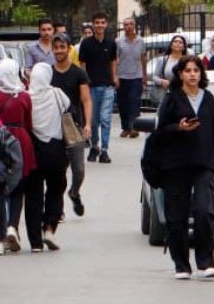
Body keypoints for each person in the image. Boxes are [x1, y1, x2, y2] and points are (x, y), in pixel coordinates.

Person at [150, 55, 214, 280]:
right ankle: (181, 265)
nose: (192, 74)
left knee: (204, 211)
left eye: (196, 70)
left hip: (203, 164)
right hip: (175, 166)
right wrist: (179, 127)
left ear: (201, 74)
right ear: (180, 74)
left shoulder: (209, 99)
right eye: (188, 71)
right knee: (176, 217)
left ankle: (206, 263)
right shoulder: (172, 99)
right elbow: (160, 132)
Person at [0, 59, 37, 255]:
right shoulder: (23, 96)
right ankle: (12, 227)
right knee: (18, 187)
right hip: (20, 141)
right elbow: (28, 122)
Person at [24, 63, 71, 252]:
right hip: (56, 151)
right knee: (56, 189)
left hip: (33, 151)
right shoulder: (58, 94)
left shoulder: (26, 97)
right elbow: (68, 108)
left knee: (33, 195)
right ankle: (50, 228)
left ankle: (35, 242)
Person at [51, 33, 92, 223]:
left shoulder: (78, 73)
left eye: (62, 47)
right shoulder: (48, 73)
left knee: (79, 170)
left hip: (74, 125)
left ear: (69, 48)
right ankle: (57, 209)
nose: (59, 51)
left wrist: (88, 124)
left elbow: (86, 100)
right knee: (58, 171)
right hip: (52, 127)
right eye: (56, 47)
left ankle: (74, 192)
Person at [78, 13, 119, 164]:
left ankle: (104, 150)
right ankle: (94, 146)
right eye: (97, 22)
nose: (100, 25)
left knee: (105, 119)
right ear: (93, 24)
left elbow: (113, 61)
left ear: (106, 24)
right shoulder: (86, 44)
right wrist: (83, 83)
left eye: (102, 22)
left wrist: (114, 77)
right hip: (91, 86)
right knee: (94, 120)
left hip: (108, 85)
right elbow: (83, 65)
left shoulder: (111, 43)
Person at [116, 17, 147, 138]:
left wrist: (144, 76)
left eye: (130, 24)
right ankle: (125, 128)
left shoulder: (141, 41)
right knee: (123, 103)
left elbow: (143, 59)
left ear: (134, 26)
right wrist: (115, 75)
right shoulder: (119, 41)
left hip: (136, 76)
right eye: (125, 25)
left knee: (134, 102)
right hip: (122, 76)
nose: (128, 27)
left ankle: (134, 127)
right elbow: (115, 60)